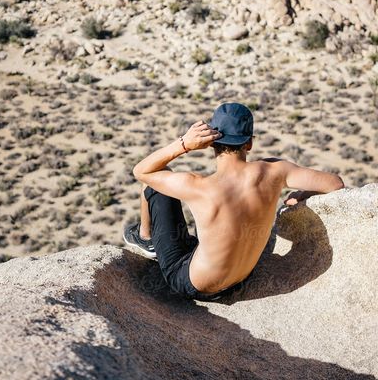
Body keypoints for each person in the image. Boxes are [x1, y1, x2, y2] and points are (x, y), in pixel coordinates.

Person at [123, 102, 345, 301]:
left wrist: (184, 144)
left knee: (156, 180)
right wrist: (303, 194)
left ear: (211, 143)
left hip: (194, 285)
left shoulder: (198, 186)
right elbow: (334, 183)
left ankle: (146, 238)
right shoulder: (275, 171)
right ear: (249, 144)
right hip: (241, 278)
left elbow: (141, 171)